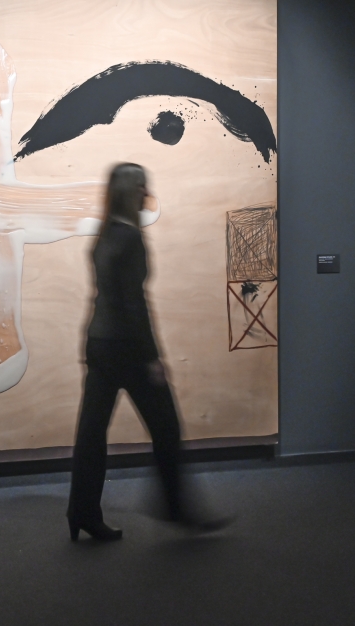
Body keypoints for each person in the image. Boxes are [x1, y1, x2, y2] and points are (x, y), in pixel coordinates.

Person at [67, 162, 227, 541]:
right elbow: (134, 304)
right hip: (128, 349)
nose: (146, 193)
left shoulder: (105, 234)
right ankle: (176, 508)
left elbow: (109, 298)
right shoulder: (130, 238)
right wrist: (152, 357)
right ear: (130, 191)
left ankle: (82, 512)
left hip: (99, 343)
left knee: (91, 433)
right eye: (141, 186)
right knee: (166, 428)